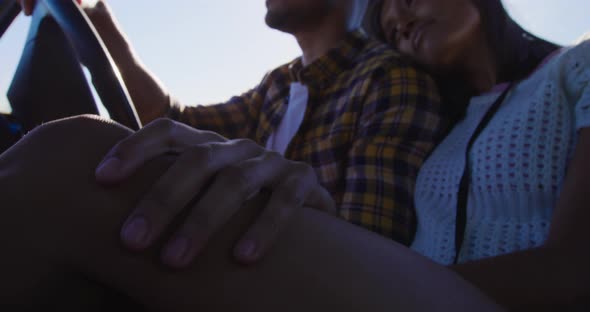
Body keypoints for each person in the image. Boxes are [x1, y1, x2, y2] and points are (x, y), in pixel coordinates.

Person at [17, 0, 446, 267]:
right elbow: (168, 118)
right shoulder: (278, 85)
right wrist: (98, 16)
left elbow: (373, 259)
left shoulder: (391, 79)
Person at [361, 0, 590, 309]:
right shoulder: (442, 139)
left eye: (410, 1)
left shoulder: (578, 64)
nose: (401, 23)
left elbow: (574, 265)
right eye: (391, 33)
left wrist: (382, 299)